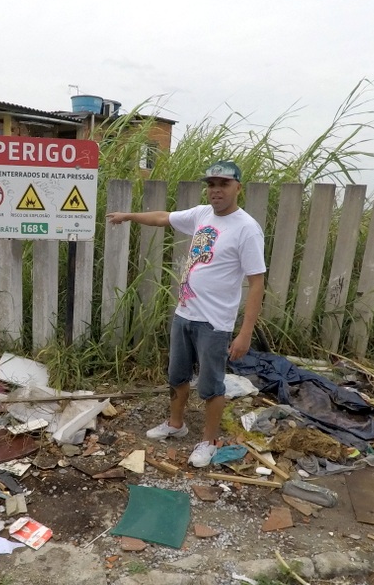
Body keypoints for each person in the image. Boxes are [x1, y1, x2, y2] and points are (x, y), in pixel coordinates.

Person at [106, 161, 266, 468]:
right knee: (177, 376)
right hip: (185, 313)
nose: (216, 190)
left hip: (214, 323)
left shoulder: (247, 229)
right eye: (212, 184)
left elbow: (257, 282)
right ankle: (176, 424)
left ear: (238, 188)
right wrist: (129, 216)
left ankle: (208, 441)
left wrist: (245, 333)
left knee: (211, 386)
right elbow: (163, 217)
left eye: (224, 184)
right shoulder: (202, 214)